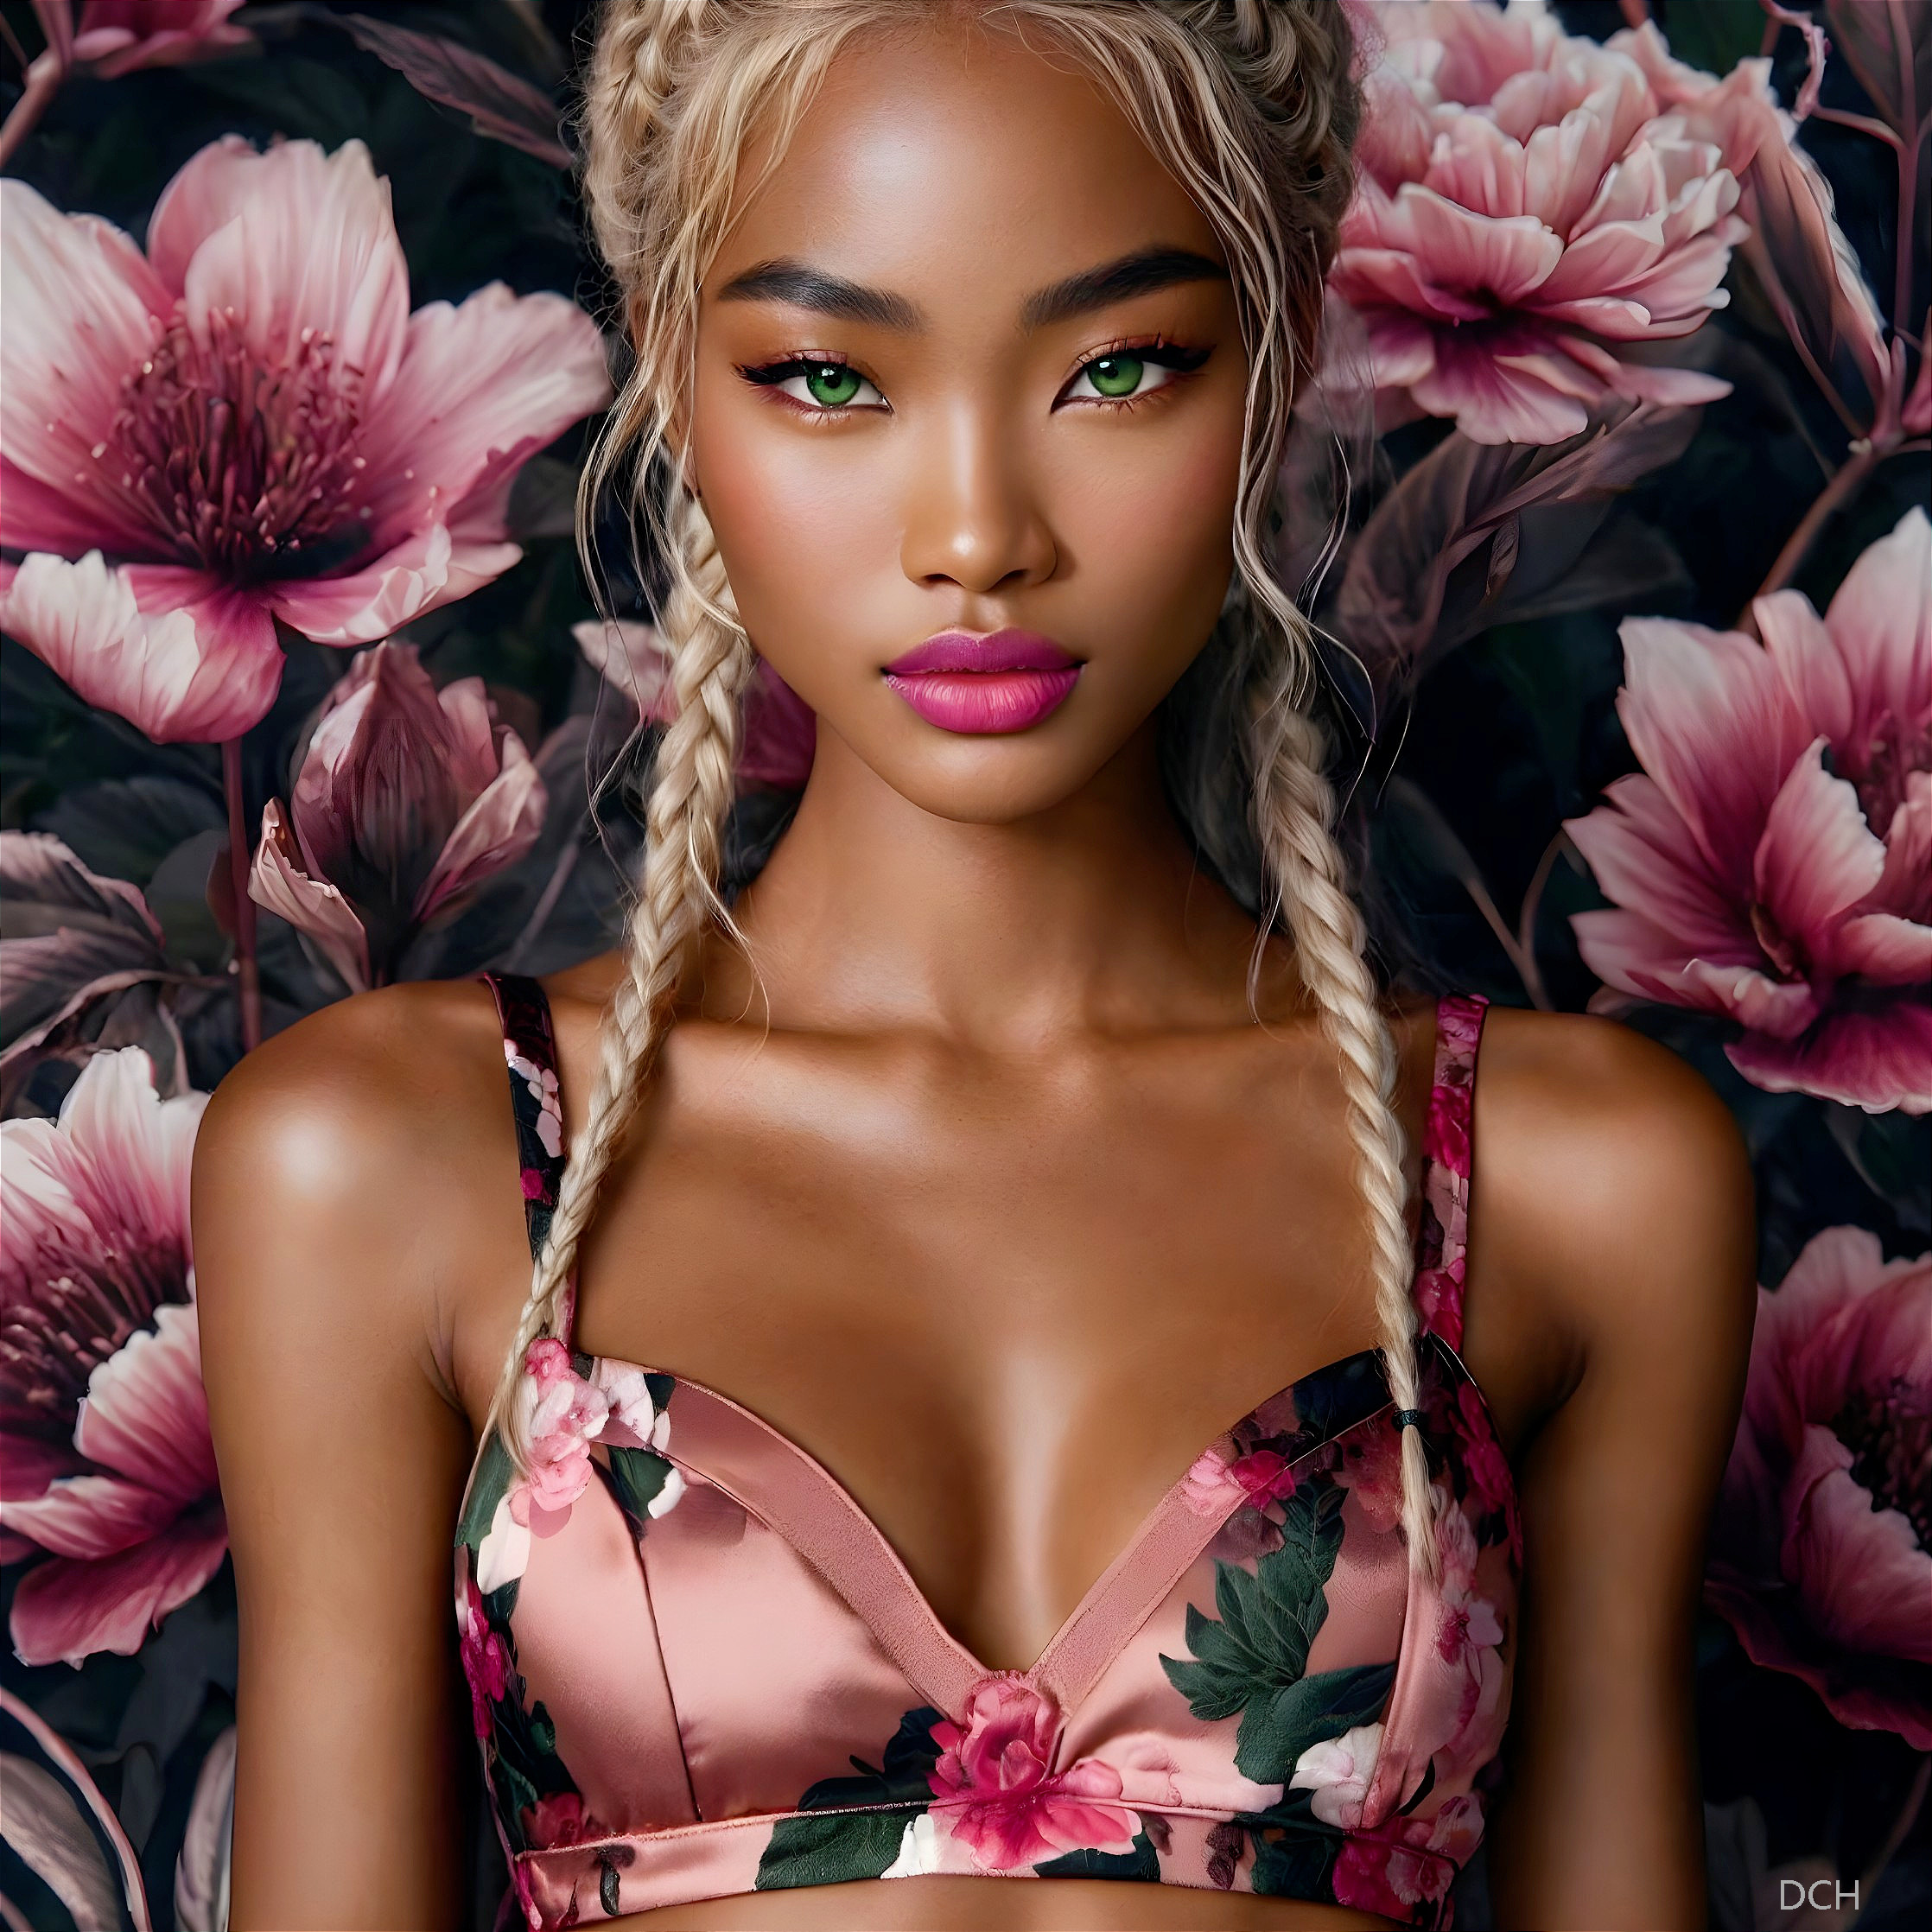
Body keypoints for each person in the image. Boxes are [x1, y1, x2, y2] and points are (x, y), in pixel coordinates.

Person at [192, 3, 1757, 1927]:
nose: (975, 535)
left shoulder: (1572, 1183)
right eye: (827, 377)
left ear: (1265, 378)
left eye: (1116, 367)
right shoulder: (384, 1158)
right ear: (679, 396)